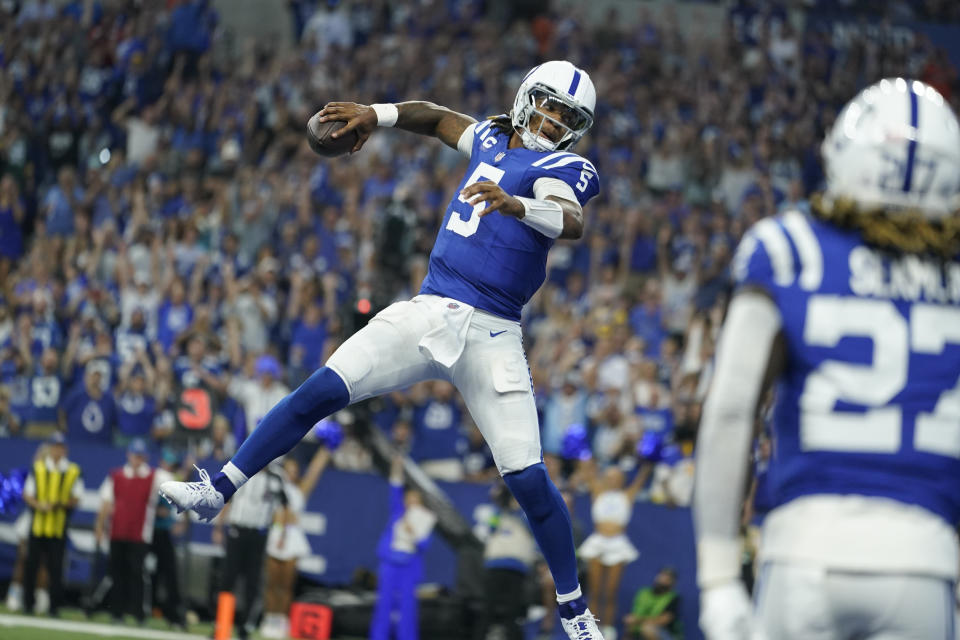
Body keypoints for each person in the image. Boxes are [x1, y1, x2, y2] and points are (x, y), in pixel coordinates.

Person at [161, 59, 606, 638]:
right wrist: (377, 113)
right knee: (319, 389)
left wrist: (518, 205)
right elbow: (438, 118)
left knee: (527, 479)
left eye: (567, 116)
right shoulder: (493, 136)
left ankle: (574, 613)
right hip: (430, 308)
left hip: (495, 331)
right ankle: (217, 490)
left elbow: (569, 220)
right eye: (549, 105)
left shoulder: (565, 165)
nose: (552, 122)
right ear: (527, 97)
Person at [694, 78, 960, 639]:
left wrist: (718, 576)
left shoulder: (791, 248)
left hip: (805, 551)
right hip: (926, 559)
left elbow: (730, 411)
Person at [95, 438, 171, 624]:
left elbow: (174, 482)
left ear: (144, 457)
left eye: (140, 456)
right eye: (134, 455)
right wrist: (99, 526)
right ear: (129, 455)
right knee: (117, 573)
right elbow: (106, 502)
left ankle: (138, 613)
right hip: (118, 531)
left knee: (137, 573)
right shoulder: (117, 476)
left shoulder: (154, 476)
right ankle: (117, 612)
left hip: (140, 534)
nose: (137, 460)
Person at [211, 459, 288, 640]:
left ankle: (245, 626)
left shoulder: (276, 479)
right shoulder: (242, 473)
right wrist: (219, 527)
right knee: (228, 578)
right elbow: (228, 500)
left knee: (252, 582)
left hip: (258, 535)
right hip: (237, 530)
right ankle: (221, 625)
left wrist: (280, 534)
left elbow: (282, 508)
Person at [260, 445, 332, 639]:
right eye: (289, 470)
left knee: (286, 586)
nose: (292, 473)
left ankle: (282, 621)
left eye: (295, 470)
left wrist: (325, 449)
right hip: (276, 537)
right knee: (271, 584)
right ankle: (269, 618)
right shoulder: (275, 486)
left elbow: (315, 471)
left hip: (293, 539)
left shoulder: (301, 489)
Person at [369, 455, 437, 640]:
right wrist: (397, 468)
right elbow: (395, 488)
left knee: (407, 607)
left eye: (415, 499)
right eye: (409, 498)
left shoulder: (426, 519)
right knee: (384, 605)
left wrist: (413, 531)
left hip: (409, 566)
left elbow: (424, 545)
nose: (411, 502)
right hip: (390, 563)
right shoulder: (398, 513)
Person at [578, 462, 645, 640]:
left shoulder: (627, 495)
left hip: (617, 544)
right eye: (609, 477)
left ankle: (607, 628)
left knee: (610, 591)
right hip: (598, 542)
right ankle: (590, 630)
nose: (612, 480)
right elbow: (587, 470)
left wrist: (648, 460)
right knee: (595, 590)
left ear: (622, 480)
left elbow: (642, 477)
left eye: (616, 477)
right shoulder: (598, 492)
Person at [21, 433, 83, 617]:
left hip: (58, 526)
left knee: (56, 568)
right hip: (38, 525)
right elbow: (27, 494)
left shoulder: (72, 470)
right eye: (55, 446)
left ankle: (54, 606)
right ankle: (28, 604)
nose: (57, 450)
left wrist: (60, 504)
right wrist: (39, 505)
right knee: (31, 565)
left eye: (60, 447)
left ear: (65, 449)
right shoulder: (38, 468)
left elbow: (76, 497)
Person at [480, 482, 539, 640]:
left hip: (517, 568)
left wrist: (517, 508)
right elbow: (491, 527)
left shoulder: (526, 514)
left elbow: (531, 527)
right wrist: (501, 505)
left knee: (513, 610)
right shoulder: (497, 513)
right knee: (488, 607)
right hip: (495, 565)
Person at [622, 567, 682, 640]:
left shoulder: (673, 598)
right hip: (638, 631)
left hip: (664, 633)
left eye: (667, 579)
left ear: (672, 582)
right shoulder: (643, 593)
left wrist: (638, 620)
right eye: (662, 576)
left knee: (647, 628)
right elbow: (632, 616)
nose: (663, 580)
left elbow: (664, 620)